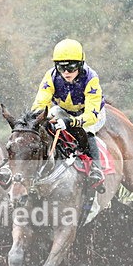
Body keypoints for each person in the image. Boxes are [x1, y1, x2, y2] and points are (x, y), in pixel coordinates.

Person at [30, 38, 105, 190]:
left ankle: (96, 169)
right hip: (63, 110)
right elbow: (40, 104)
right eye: (61, 67)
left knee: (88, 130)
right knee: (46, 121)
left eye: (71, 67)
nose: (65, 72)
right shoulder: (50, 77)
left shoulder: (91, 78)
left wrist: (70, 122)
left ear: (80, 65)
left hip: (90, 113)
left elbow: (91, 115)